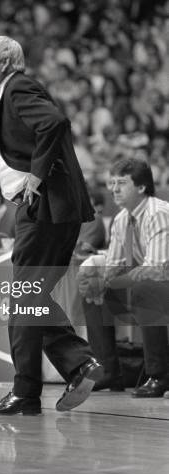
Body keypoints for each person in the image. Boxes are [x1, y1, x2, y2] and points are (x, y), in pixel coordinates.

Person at [0, 36, 102, 415]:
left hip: (43, 207)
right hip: (48, 209)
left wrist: (37, 176)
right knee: (29, 299)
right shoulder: (8, 95)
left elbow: (55, 122)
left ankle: (29, 391)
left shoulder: (17, 87)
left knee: (24, 300)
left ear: (5, 62)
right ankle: (76, 365)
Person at [79, 159, 169, 396]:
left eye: (122, 183)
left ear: (141, 188)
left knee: (145, 288)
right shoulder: (121, 219)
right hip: (152, 285)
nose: (114, 189)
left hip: (160, 282)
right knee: (93, 292)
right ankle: (109, 372)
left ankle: (159, 375)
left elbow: (155, 270)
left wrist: (114, 279)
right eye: (112, 183)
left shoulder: (158, 213)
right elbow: (114, 268)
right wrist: (101, 282)